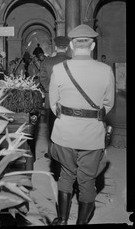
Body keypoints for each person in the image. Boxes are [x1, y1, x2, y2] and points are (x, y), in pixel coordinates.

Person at [48, 24, 115, 225]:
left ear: (71, 45)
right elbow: (108, 104)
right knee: (87, 181)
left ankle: (61, 220)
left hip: (65, 133)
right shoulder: (105, 70)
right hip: (92, 135)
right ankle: (82, 224)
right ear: (93, 45)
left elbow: (53, 104)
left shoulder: (59, 69)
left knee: (66, 176)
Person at [40, 36, 70, 158]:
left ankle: (52, 152)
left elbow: (42, 78)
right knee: (67, 127)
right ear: (67, 48)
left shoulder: (46, 62)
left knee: (52, 125)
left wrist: (50, 91)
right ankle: (66, 153)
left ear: (56, 47)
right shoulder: (71, 61)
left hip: (51, 100)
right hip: (68, 99)